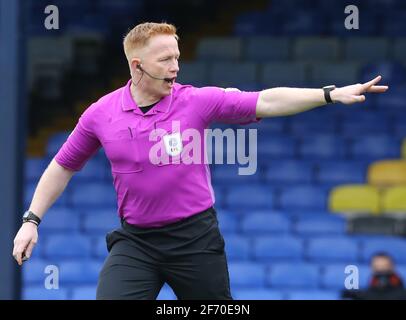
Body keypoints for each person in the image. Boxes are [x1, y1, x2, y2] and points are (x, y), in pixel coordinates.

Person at [13, 22, 389, 300]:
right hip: (137, 242)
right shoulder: (101, 113)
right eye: (166, 60)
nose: (176, 66)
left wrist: (329, 94)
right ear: (137, 65)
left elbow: (266, 101)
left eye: (177, 56)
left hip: (195, 239)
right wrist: (32, 220)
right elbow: (62, 166)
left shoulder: (196, 100)